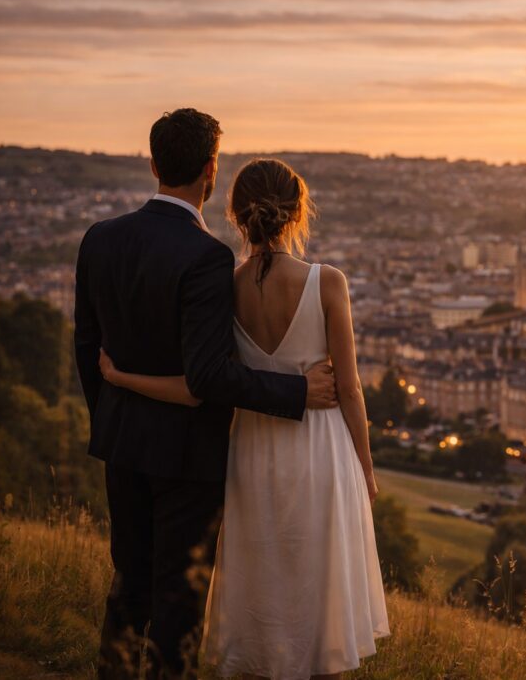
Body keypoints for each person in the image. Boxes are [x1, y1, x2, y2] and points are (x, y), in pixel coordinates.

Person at [98, 156, 390, 679]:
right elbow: (349, 390)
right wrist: (365, 468)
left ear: (236, 214)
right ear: (298, 213)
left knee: (265, 586)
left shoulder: (223, 286)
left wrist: (120, 379)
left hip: (251, 451)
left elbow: (203, 381)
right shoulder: (328, 283)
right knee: (320, 590)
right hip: (321, 449)